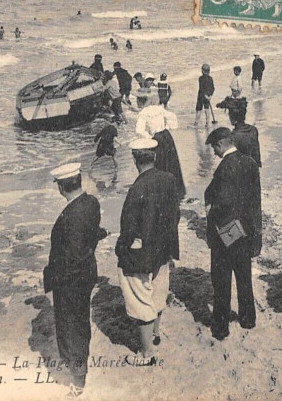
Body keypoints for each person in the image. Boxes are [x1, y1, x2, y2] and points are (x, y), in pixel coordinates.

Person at [44, 162, 107, 397]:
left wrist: (59, 280)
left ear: (61, 187)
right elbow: (90, 234)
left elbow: (73, 255)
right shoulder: (91, 202)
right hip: (87, 273)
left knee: (71, 325)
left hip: (71, 280)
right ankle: (79, 368)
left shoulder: (69, 215)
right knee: (80, 320)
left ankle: (78, 380)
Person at [116, 139, 181, 365]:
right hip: (163, 249)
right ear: (154, 156)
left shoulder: (137, 188)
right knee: (159, 292)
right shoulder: (169, 179)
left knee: (139, 298)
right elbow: (175, 215)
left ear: (135, 159)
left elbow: (129, 226)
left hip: (143, 253)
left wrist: (121, 248)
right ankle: (155, 333)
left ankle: (146, 355)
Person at [204, 127, 262, 340]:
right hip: (246, 229)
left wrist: (211, 211)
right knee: (244, 276)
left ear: (220, 144)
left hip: (227, 232)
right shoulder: (249, 162)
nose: (214, 153)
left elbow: (225, 202)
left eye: (214, 148)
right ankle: (248, 318)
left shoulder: (225, 167)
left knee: (221, 280)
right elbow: (254, 199)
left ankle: (221, 326)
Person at [135, 93, 185, 200]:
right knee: (171, 163)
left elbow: (139, 130)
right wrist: (167, 127)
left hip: (156, 138)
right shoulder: (159, 109)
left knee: (158, 164)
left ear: (140, 101)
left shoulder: (144, 112)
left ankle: (161, 193)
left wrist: (149, 137)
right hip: (166, 136)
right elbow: (172, 117)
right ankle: (175, 190)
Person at [221, 98, 261, 167]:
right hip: (253, 168)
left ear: (233, 118)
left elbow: (232, 161)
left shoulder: (233, 136)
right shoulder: (253, 130)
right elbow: (256, 155)